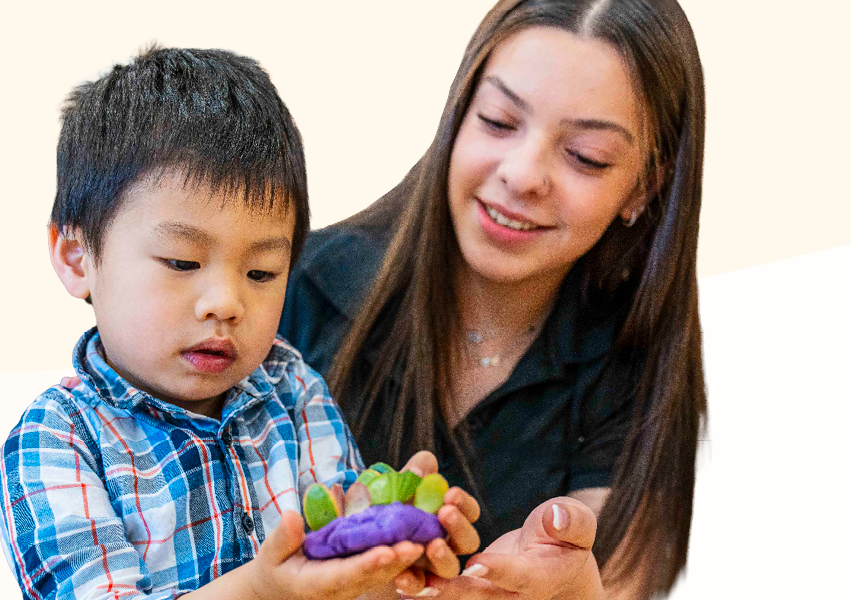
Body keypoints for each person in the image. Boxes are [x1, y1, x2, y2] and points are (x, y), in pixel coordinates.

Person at [0, 47, 477, 600]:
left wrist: (389, 558)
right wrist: (264, 590)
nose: (225, 303)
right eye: (182, 263)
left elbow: (341, 563)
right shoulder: (56, 441)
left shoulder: (292, 389)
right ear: (77, 257)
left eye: (262, 271)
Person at [280, 1, 707, 597]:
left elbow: (619, 583)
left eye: (585, 156)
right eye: (500, 121)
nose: (523, 173)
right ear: (457, 115)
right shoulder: (286, 291)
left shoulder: (632, 364)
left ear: (643, 187)